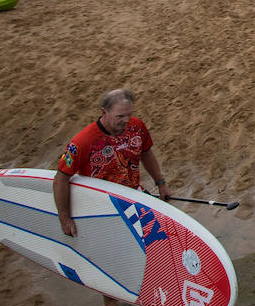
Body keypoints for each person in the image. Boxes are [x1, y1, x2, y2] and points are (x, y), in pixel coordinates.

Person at [53, 88, 171, 239]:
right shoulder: (82, 142)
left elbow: (146, 153)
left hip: (132, 196)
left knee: (158, 237)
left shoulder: (137, 127)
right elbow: (61, 179)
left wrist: (161, 184)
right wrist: (65, 218)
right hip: (100, 207)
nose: (126, 120)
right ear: (104, 112)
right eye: (120, 116)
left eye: (129, 115)